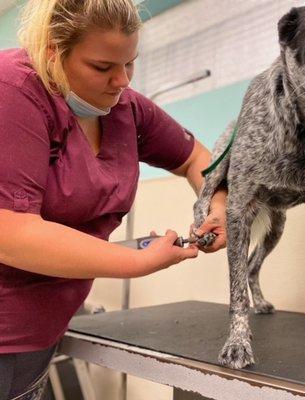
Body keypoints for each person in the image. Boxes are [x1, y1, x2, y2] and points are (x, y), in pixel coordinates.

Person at [0, 1, 227, 398]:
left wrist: (220, 205)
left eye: (130, 64)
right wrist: (137, 262)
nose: (121, 81)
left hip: (46, 324)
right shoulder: (13, 92)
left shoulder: (126, 107)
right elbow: (11, 232)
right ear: (54, 51)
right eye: (102, 68)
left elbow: (195, 159)